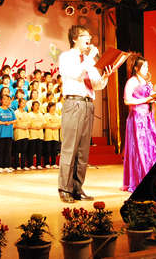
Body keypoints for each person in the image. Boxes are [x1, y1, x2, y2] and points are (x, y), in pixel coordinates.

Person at [57, 24, 113, 203]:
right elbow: (76, 74)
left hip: (88, 104)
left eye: (89, 36)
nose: (89, 38)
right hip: (74, 103)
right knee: (70, 149)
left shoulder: (89, 60)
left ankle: (77, 188)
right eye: (84, 36)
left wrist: (105, 77)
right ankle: (64, 189)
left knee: (83, 151)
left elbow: (96, 84)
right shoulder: (67, 57)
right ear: (75, 38)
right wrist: (89, 59)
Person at [122, 55, 156, 193]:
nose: (146, 69)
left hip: (147, 117)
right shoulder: (132, 81)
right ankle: (139, 179)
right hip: (137, 119)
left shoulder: (145, 82)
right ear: (136, 68)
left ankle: (151, 177)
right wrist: (146, 100)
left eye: (147, 66)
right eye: (144, 66)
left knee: (149, 147)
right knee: (139, 148)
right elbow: (127, 100)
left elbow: (147, 98)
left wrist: (153, 99)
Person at [0, 94, 15, 173]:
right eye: (4, 99)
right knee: (1, 150)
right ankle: (0, 166)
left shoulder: (11, 110)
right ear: (1, 100)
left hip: (9, 133)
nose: (6, 101)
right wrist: (3, 123)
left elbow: (15, 120)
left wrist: (10, 122)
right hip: (1, 133)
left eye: (8, 99)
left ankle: (7, 166)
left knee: (8, 150)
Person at [12, 98, 30, 171]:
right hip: (18, 133)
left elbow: (29, 122)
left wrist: (27, 126)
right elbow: (14, 124)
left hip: (25, 133)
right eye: (22, 102)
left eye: (25, 103)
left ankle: (23, 165)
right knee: (17, 150)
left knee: (24, 150)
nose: (24, 104)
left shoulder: (26, 113)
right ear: (19, 103)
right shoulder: (15, 112)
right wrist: (21, 126)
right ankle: (17, 165)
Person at [28, 100, 45, 170]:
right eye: (35, 105)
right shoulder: (30, 114)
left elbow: (44, 123)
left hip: (40, 134)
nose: (37, 107)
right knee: (31, 150)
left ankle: (38, 164)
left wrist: (40, 127)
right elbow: (28, 124)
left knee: (39, 150)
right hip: (32, 134)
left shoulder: (41, 114)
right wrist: (34, 127)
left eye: (38, 105)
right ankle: (31, 164)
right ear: (32, 107)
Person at [44, 102, 61, 169]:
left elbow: (60, 124)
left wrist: (56, 126)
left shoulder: (57, 115)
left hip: (55, 135)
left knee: (54, 150)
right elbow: (44, 124)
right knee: (48, 150)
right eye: (52, 107)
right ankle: (47, 163)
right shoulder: (46, 115)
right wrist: (52, 126)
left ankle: (53, 163)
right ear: (49, 108)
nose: (54, 108)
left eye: (54, 107)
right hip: (48, 135)